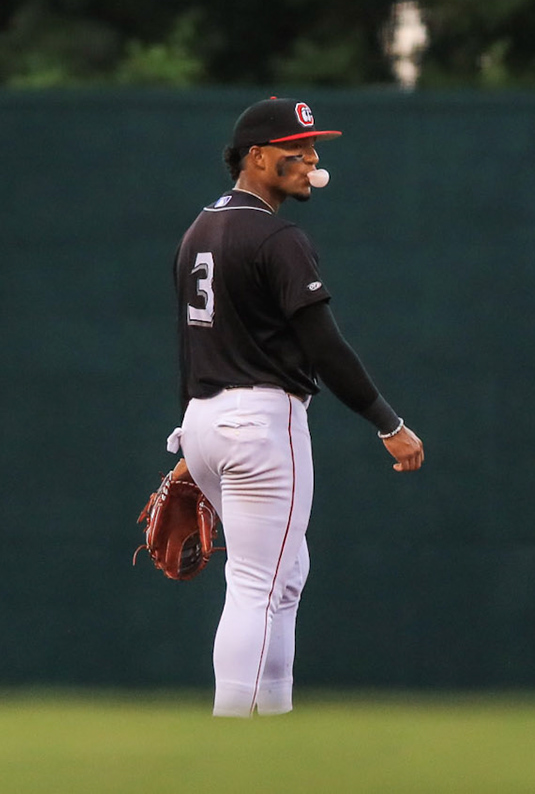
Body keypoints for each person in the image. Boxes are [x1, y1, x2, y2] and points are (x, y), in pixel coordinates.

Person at [168, 96, 424, 717]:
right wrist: (387, 421)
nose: (310, 160)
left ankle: (270, 724)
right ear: (257, 157)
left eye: (313, 149)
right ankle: (240, 743)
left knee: (283, 576)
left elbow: (194, 341)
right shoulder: (278, 237)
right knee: (258, 584)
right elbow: (324, 347)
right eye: (296, 150)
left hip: (205, 420)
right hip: (260, 420)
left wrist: (189, 443)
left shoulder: (199, 228)